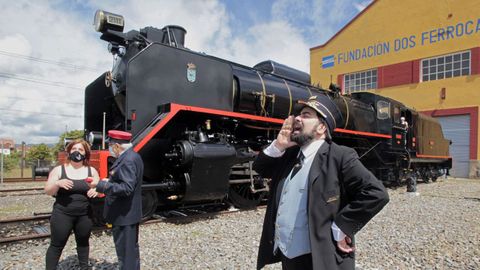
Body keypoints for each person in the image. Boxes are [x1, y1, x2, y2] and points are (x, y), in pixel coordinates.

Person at [253, 95, 390, 270]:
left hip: (320, 257)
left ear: (321, 127)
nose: (297, 118)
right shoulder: (289, 155)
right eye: (298, 115)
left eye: (306, 115)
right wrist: (279, 145)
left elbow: (376, 193)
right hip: (288, 255)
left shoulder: (340, 155)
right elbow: (261, 168)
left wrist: (342, 226)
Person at [88, 130, 143, 270]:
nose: (109, 148)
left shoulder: (128, 160)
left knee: (126, 253)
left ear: (117, 146)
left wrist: (100, 185)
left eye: (110, 145)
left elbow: (126, 188)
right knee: (129, 251)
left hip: (124, 214)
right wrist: (109, 181)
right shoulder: (132, 156)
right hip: (127, 213)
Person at [44, 139, 100, 270]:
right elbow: (48, 190)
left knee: (83, 243)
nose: (77, 152)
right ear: (69, 152)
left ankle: (84, 267)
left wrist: (96, 190)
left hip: (84, 215)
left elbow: (99, 188)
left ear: (85, 153)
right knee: (56, 245)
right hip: (62, 214)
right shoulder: (59, 170)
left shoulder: (91, 171)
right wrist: (57, 183)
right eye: (74, 149)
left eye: (80, 150)